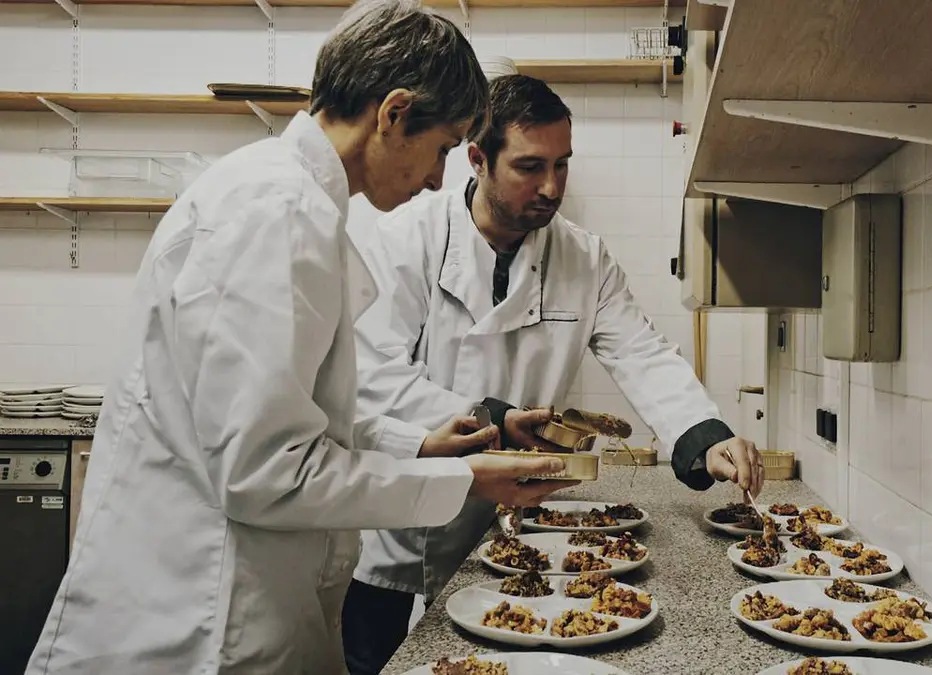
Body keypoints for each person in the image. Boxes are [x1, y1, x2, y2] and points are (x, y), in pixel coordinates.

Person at [24, 6, 576, 675]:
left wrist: (417, 442)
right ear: (394, 113)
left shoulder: (294, 200)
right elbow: (266, 471)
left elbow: (288, 416)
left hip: (247, 605)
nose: (438, 179)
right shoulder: (275, 213)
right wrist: (459, 478)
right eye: (441, 149)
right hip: (202, 621)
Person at [343, 74, 765, 674]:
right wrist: (494, 420)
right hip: (404, 509)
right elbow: (373, 375)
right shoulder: (406, 237)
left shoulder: (583, 258)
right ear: (477, 160)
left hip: (512, 519)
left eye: (562, 165)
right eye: (530, 166)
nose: (551, 186)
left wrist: (706, 435)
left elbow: (641, 352)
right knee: (374, 659)